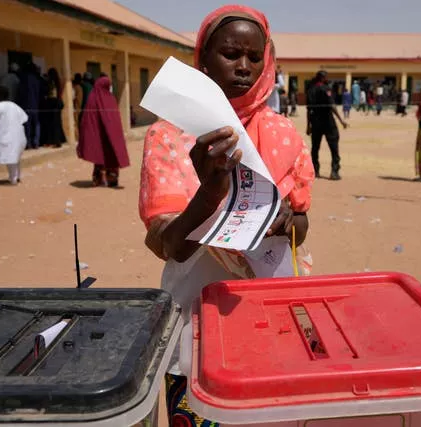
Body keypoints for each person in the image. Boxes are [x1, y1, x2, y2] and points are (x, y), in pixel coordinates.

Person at [139, 7, 314, 424]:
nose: (244, 67)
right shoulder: (168, 136)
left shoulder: (283, 133)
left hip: (273, 315)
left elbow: (302, 227)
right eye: (231, 53)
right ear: (202, 58)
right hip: (199, 320)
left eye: (255, 58)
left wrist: (290, 221)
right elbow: (169, 245)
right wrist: (209, 195)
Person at [77, 75, 129, 187]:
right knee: (109, 155)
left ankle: (99, 179)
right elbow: (114, 120)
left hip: (98, 135)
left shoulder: (92, 97)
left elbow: (87, 119)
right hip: (107, 134)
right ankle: (111, 179)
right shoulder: (110, 98)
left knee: (99, 156)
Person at [307, 70, 348, 180]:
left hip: (315, 121)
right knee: (334, 147)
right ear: (323, 78)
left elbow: (309, 109)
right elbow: (332, 106)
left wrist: (308, 125)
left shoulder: (310, 90)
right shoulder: (326, 89)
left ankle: (315, 171)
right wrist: (341, 121)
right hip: (328, 121)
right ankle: (334, 172)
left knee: (315, 148)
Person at [0, 85, 28, 185]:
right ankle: (16, 176)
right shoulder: (14, 105)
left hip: (5, 136)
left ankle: (13, 179)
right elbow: (25, 119)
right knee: (15, 157)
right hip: (17, 135)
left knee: (10, 158)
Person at [40, 68, 66, 148]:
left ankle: (53, 141)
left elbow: (47, 92)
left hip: (51, 103)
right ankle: (57, 141)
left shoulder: (50, 82)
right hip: (58, 103)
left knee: (50, 123)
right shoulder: (59, 82)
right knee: (57, 123)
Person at [19, 62, 41, 149]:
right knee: (36, 124)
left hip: (27, 105)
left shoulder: (24, 78)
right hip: (35, 105)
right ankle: (36, 142)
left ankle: (28, 143)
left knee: (27, 125)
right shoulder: (36, 79)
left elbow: (22, 92)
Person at [72, 73, 83, 139]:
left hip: (76, 108)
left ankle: (77, 137)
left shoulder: (76, 87)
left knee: (75, 124)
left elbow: (73, 98)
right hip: (79, 107)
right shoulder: (80, 87)